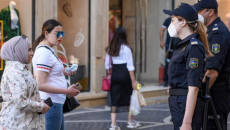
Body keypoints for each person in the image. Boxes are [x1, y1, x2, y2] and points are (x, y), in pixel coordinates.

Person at [163, 3, 213, 130]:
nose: (171, 24)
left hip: (185, 104)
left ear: (183, 22)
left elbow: (194, 88)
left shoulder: (193, 47)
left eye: (173, 20)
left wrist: (187, 123)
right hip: (179, 102)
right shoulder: (183, 45)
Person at [32, 19, 80, 130]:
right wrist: (67, 91)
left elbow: (48, 72)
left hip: (54, 103)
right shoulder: (45, 52)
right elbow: (40, 83)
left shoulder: (48, 50)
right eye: (57, 33)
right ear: (46, 34)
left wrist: (63, 71)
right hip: (52, 104)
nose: (61, 36)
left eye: (62, 33)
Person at [193, 0, 230, 129]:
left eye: (199, 12)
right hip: (211, 91)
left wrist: (197, 93)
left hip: (215, 93)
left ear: (210, 12)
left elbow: (212, 72)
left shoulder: (217, 32)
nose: (197, 15)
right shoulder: (209, 31)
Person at [0, 35, 50, 129]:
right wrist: (41, 106)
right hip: (18, 124)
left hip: (25, 122)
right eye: (28, 50)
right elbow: (21, 102)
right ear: (18, 51)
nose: (32, 53)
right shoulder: (15, 72)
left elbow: (27, 95)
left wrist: (39, 101)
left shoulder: (21, 69)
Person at [105, 27, 140, 130]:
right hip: (125, 75)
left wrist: (110, 75)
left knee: (114, 100)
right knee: (130, 98)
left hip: (115, 75)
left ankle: (113, 125)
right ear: (124, 35)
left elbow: (107, 65)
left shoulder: (110, 49)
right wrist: (133, 80)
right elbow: (130, 66)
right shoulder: (126, 49)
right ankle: (130, 122)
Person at [160, 17, 180, 87]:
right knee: (168, 63)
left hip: (178, 45)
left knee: (178, 63)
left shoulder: (181, 20)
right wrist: (162, 41)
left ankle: (174, 81)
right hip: (169, 46)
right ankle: (166, 81)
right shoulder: (168, 20)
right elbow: (162, 30)